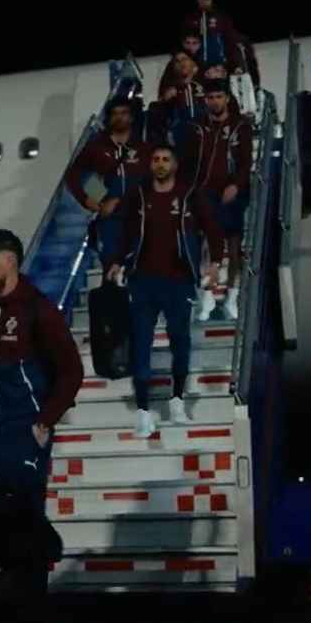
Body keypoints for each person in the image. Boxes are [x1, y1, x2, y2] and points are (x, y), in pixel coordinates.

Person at [0, 229, 82, 623]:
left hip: (22, 434)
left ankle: (31, 619)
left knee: (23, 530)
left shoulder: (37, 309)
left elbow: (71, 371)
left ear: (8, 262)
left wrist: (44, 421)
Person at [106, 146, 224, 439]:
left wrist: (214, 263)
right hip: (142, 282)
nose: (160, 164)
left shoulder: (189, 195)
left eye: (165, 160)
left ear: (175, 164)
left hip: (179, 281)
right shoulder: (140, 195)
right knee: (141, 345)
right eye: (156, 160)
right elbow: (124, 232)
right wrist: (116, 261)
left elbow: (212, 229)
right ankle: (144, 412)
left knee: (180, 341)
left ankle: (177, 401)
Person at [182, 78, 253, 319]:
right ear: (205, 101)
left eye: (219, 97)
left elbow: (245, 162)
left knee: (233, 246)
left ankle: (231, 297)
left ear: (228, 99)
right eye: (210, 98)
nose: (215, 101)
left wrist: (236, 184)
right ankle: (207, 297)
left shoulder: (240, 126)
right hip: (203, 191)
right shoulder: (196, 127)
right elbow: (187, 163)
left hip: (234, 192)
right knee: (205, 243)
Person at [63, 98, 152, 269]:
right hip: (110, 220)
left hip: (139, 217)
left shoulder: (144, 148)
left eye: (124, 113)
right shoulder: (96, 146)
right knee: (110, 267)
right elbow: (72, 175)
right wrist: (86, 200)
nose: (119, 117)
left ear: (132, 117)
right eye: (115, 114)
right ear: (109, 118)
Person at [180, 0, 248, 75]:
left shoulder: (221, 17)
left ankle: (255, 84)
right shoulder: (189, 19)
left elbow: (231, 43)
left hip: (220, 67)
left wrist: (237, 65)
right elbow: (183, 46)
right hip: (198, 68)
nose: (204, 1)